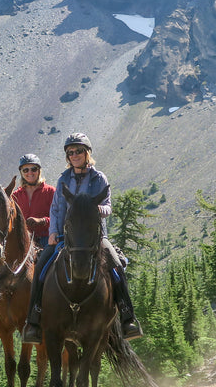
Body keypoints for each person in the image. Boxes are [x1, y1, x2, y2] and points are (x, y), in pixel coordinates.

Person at [21, 133, 142, 344]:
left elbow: (108, 206)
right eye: (70, 152)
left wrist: (96, 209)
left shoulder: (99, 179)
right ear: (67, 157)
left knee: (116, 264)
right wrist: (52, 232)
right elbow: (57, 208)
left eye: (78, 151)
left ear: (87, 153)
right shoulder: (63, 180)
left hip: (95, 237)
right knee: (41, 265)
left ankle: (127, 317)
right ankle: (34, 320)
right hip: (65, 237)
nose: (74, 155)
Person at [0, 154, 55, 278]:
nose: (30, 173)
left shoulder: (51, 191)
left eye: (33, 169)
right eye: (26, 170)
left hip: (45, 238)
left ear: (39, 171)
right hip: (22, 241)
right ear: (21, 172)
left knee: (51, 267)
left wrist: (42, 221)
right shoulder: (14, 196)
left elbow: (60, 217)